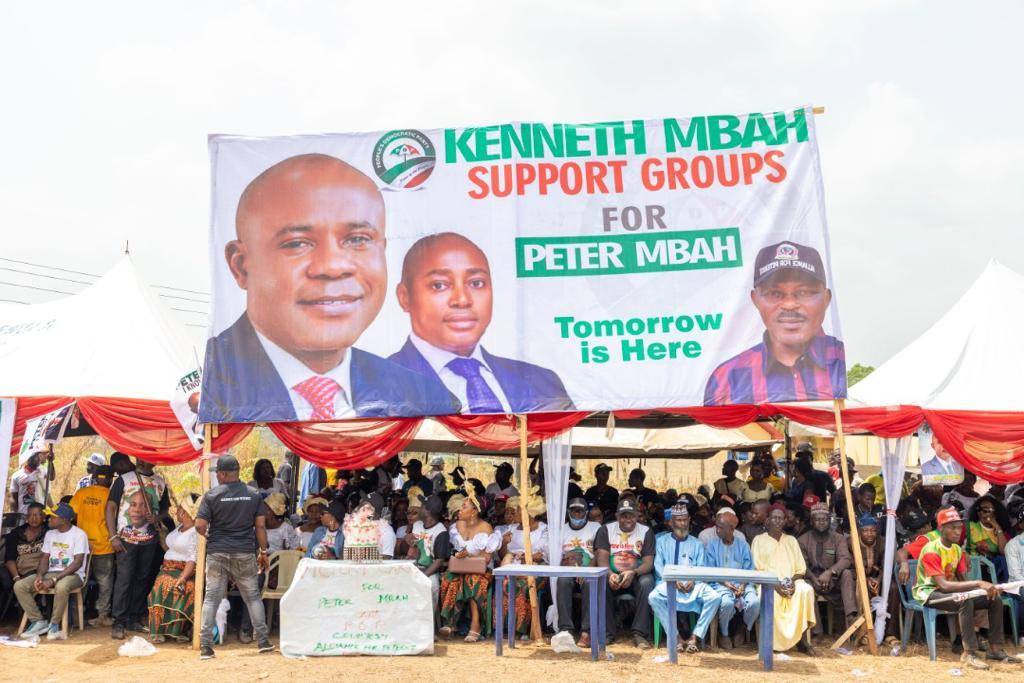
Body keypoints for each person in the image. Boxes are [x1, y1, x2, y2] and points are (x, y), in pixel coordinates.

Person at [200, 153, 460, 423]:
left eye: (358, 239)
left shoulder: (426, 397)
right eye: (297, 243)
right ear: (241, 266)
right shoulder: (207, 384)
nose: (333, 267)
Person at [389, 232, 574, 413]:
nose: (462, 300)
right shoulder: (380, 388)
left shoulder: (542, 383)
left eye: (476, 283)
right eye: (439, 285)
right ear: (404, 297)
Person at [704, 241, 845, 405]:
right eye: (774, 294)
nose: (789, 305)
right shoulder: (727, 379)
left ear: (826, 298)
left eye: (804, 292)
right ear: (755, 300)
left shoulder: (845, 362)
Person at [912, 507, 1020, 669]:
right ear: (941, 528)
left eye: (959, 527)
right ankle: (969, 653)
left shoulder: (957, 549)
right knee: (965, 600)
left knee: (994, 599)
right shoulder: (931, 550)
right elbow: (944, 585)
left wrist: (988, 590)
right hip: (929, 593)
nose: (958, 531)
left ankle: (995, 649)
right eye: (952, 527)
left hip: (949, 592)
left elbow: (963, 581)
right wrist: (979, 583)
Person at [194, 454, 273, 659]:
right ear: (237, 472)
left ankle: (206, 646)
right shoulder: (253, 495)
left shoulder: (211, 496)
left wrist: (209, 536)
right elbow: (260, 526)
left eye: (217, 473)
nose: (217, 476)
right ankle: (263, 641)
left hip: (217, 552)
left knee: (211, 598)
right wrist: (263, 551)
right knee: (252, 597)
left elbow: (199, 525)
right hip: (244, 552)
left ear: (222, 474)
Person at [106, 457, 170, 640]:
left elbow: (165, 510)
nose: (141, 461)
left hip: (149, 540)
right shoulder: (124, 480)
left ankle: (133, 618)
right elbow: (110, 507)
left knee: (142, 579)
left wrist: (157, 518)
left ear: (154, 462)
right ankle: (119, 621)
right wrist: (113, 536)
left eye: (146, 459)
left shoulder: (160, 482)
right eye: (139, 458)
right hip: (125, 540)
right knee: (124, 579)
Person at [648, 504, 721, 653]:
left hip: (693, 584)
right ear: (671, 522)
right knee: (653, 597)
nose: (682, 523)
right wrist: (672, 581)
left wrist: (693, 580)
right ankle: (676, 636)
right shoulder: (662, 541)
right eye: (679, 520)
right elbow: (658, 566)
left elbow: (701, 567)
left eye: (685, 519)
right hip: (669, 583)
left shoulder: (697, 543)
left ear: (689, 520)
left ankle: (695, 636)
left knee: (715, 598)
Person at [15, 503, 90, 640]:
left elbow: (77, 563)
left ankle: (54, 624)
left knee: (61, 586)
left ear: (63, 520)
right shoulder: (50, 534)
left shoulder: (79, 535)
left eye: (52, 517)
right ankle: (38, 621)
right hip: (51, 572)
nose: (48, 519)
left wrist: (54, 580)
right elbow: (44, 558)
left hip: (73, 574)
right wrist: (39, 576)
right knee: (20, 586)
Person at [752, 504, 817, 654]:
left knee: (806, 590)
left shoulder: (791, 540)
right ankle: (770, 642)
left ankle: (802, 640)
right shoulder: (758, 540)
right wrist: (775, 585)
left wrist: (792, 583)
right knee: (768, 596)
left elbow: (801, 569)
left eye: (781, 518)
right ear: (767, 520)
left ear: (785, 521)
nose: (777, 521)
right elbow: (756, 570)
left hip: (791, 582)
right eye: (774, 517)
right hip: (768, 583)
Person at [595, 498, 656, 649]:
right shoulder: (606, 529)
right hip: (612, 574)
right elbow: (601, 558)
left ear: (637, 515)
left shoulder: (646, 531)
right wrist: (610, 574)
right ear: (617, 516)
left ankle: (640, 634)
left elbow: (648, 563)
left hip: (636, 574)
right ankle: (607, 633)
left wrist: (633, 572)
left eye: (631, 515)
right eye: (623, 515)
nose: (627, 519)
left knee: (647, 582)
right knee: (600, 581)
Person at [439, 493, 499, 642]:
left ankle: (476, 624)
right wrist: (459, 554)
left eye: (464, 507)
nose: (459, 510)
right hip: (461, 567)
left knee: (472, 580)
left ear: (474, 512)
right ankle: (450, 623)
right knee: (449, 578)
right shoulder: (458, 525)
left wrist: (468, 554)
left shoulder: (485, 528)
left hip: (481, 570)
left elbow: (487, 558)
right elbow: (453, 549)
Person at [147, 493, 200, 643]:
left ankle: (177, 632)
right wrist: (160, 532)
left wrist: (183, 577)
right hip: (168, 569)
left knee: (166, 585)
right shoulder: (179, 528)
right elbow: (171, 548)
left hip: (184, 571)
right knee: (160, 583)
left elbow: (192, 559)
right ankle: (160, 631)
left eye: (180, 508)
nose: (176, 511)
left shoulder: (196, 532)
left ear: (187, 512)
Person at [797, 502, 856, 634]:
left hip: (833, 580)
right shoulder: (802, 540)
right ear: (812, 521)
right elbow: (801, 565)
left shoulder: (838, 538)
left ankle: (851, 617)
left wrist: (830, 572)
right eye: (818, 520)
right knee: (805, 586)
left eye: (824, 519)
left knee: (847, 574)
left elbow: (846, 559)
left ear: (829, 521)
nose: (821, 522)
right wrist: (814, 578)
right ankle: (817, 632)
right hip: (812, 580)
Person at [497, 492, 549, 637]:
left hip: (536, 569)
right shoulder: (512, 529)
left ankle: (522, 629)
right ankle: (503, 626)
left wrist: (526, 558)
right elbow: (503, 555)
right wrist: (504, 544)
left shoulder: (543, 529)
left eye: (519, 510)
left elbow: (542, 555)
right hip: (512, 567)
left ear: (529, 513)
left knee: (523, 585)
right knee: (502, 583)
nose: (515, 513)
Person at [69, 464, 115, 627]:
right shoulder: (112, 495)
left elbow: (70, 515)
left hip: (82, 546)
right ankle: (102, 616)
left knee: (80, 581)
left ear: (95, 478)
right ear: (110, 479)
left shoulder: (82, 493)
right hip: (104, 545)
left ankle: (76, 617)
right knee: (105, 583)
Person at [705, 510, 759, 648]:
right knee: (727, 603)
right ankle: (724, 633)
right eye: (716, 526)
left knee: (754, 603)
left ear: (731, 529)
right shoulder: (712, 545)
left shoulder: (743, 545)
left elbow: (749, 569)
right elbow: (710, 571)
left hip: (743, 583)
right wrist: (726, 583)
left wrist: (742, 585)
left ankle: (743, 627)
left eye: (720, 527)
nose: (717, 530)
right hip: (720, 584)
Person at [555, 497, 603, 647]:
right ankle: (566, 630)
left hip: (589, 570)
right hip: (567, 570)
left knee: (590, 583)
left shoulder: (596, 527)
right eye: (574, 511)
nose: (577, 514)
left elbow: (599, 553)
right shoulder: (561, 530)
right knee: (562, 581)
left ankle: (586, 632)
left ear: (586, 513)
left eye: (580, 511)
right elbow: (557, 556)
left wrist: (587, 571)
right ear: (568, 512)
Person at [407, 494, 450, 617]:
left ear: (428, 511)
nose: (419, 508)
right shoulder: (417, 525)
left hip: (430, 571)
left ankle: (426, 621)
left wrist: (423, 576)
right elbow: (413, 547)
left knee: (432, 585)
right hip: (415, 567)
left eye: (422, 506)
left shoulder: (441, 532)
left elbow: (439, 561)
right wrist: (409, 539)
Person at [3, 502, 46, 594]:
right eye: (30, 515)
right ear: (26, 517)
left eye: (37, 515)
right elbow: (10, 559)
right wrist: (16, 577)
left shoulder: (48, 533)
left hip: (40, 573)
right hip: (19, 572)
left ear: (43, 516)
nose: (33, 518)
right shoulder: (16, 533)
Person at [965, 495, 1011, 581]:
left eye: (986, 510)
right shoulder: (969, 527)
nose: (981, 513)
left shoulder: (1001, 531)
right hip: (973, 570)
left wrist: (997, 527)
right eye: (979, 509)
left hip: (995, 571)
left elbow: (1004, 552)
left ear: (996, 512)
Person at [9, 452, 54, 517]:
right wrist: (13, 515)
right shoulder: (16, 475)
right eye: (36, 457)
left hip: (40, 514)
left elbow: (52, 477)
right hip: (23, 515)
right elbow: (14, 498)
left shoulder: (42, 471)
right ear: (28, 458)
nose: (39, 459)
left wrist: (51, 462)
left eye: (39, 456)